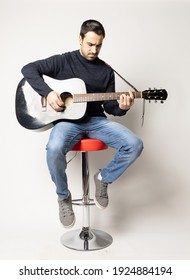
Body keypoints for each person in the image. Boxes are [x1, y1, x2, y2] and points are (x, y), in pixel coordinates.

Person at [21, 19, 143, 228]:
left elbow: (109, 107)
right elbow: (28, 69)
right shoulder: (64, 61)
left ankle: (103, 178)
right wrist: (49, 93)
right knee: (54, 147)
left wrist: (123, 107)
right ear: (80, 39)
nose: (94, 50)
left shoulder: (105, 71)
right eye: (90, 44)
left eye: (99, 45)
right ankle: (63, 196)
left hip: (96, 122)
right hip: (67, 122)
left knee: (134, 144)